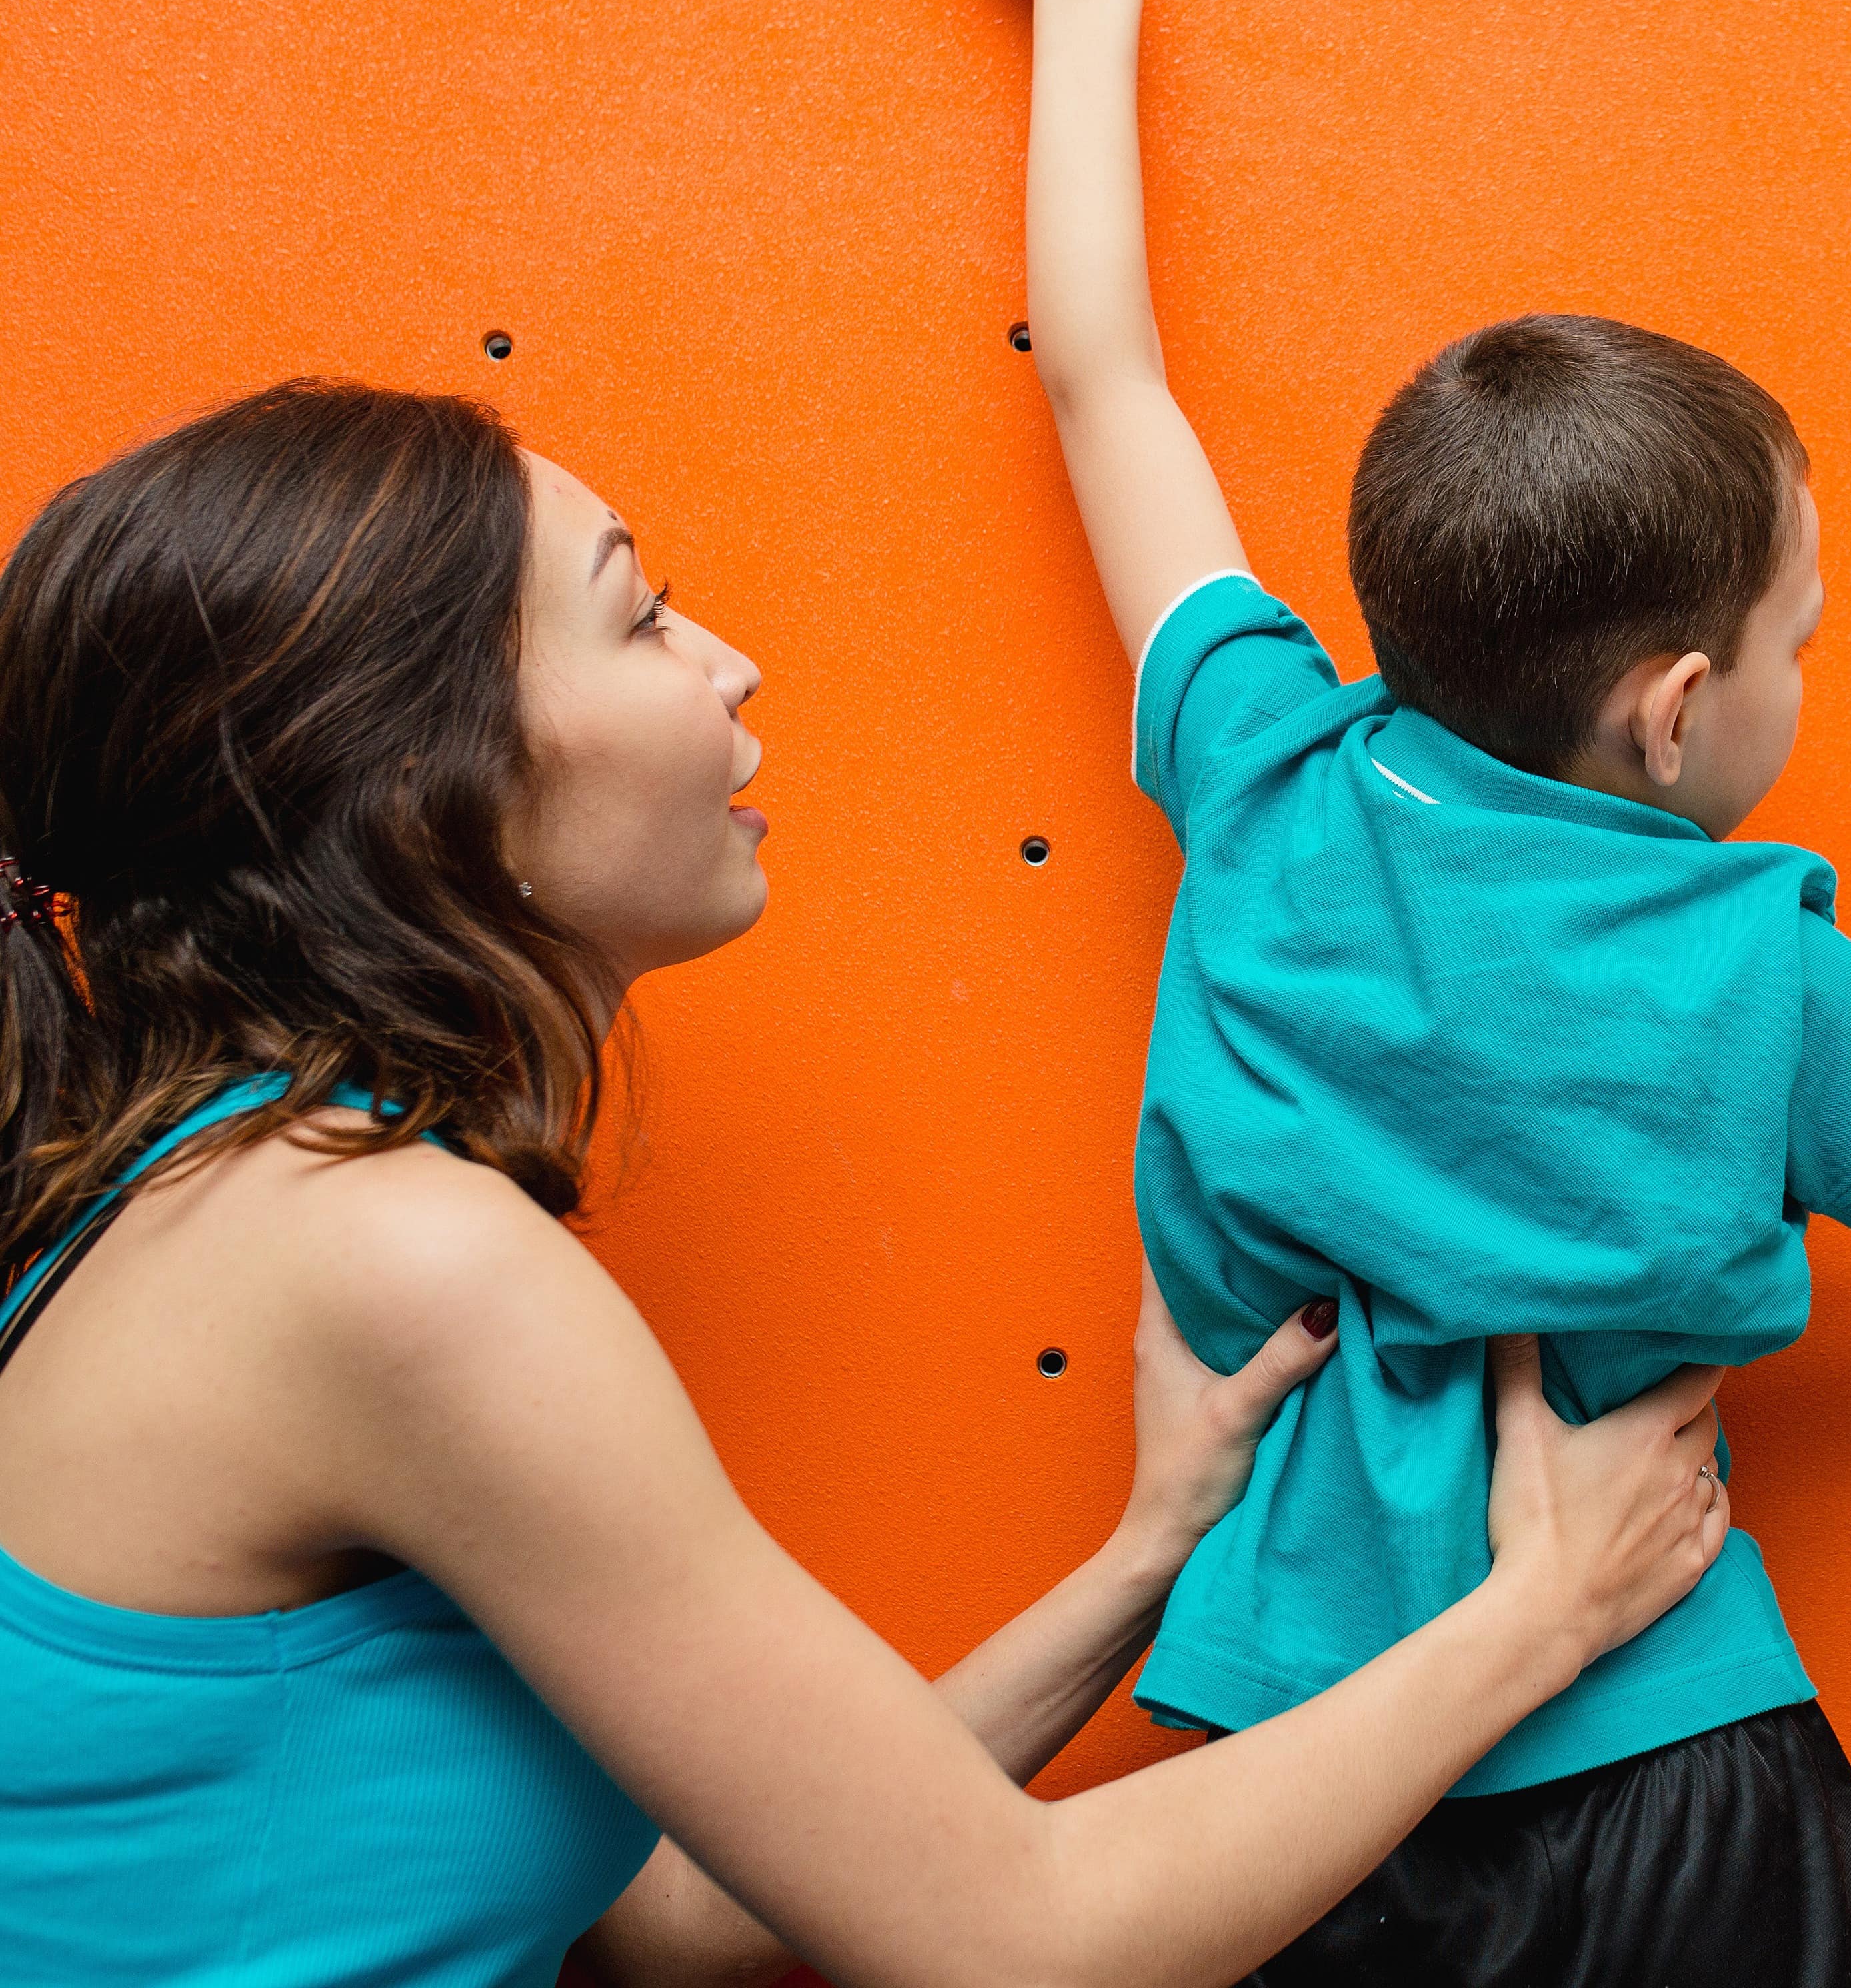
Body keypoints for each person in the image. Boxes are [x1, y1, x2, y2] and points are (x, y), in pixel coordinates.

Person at [912, 0, 1851, 1984]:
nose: (1809, 674)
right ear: (1677, 713)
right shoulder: (1762, 973)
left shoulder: (1267, 768)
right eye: (1802, 637)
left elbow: (1107, 382)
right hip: (1674, 1770)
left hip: (1272, 1782)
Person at [0, 381, 1733, 1987]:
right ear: (421, 781)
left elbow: (675, 1917)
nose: (730, 664)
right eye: (642, 611)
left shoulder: (208, 1204)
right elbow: (1019, 1945)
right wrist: (1547, 1610)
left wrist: (1149, 1552)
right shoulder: (388, 1262)